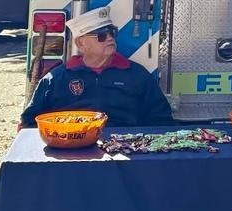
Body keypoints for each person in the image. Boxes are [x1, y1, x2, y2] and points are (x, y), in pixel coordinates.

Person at [20, 7, 174, 128]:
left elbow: (160, 119)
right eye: (101, 35)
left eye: (112, 33)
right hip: (71, 149)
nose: (109, 38)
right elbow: (31, 121)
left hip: (126, 149)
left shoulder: (137, 75)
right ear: (80, 43)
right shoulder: (56, 78)